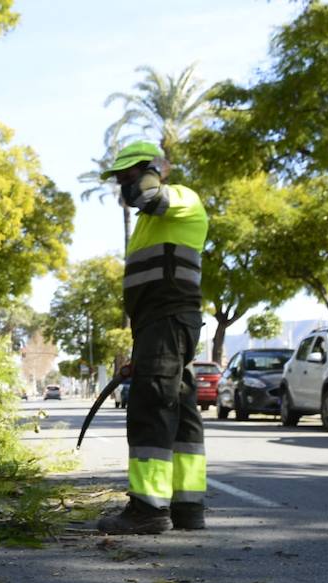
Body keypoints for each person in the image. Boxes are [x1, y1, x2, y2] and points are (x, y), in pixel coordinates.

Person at [96, 140, 209, 534]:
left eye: (131, 175)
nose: (126, 186)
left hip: (169, 320)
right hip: (158, 325)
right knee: (178, 409)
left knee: (152, 408)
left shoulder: (181, 198)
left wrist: (153, 172)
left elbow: (149, 195)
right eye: (121, 179)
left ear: (152, 170)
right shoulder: (149, 224)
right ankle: (187, 508)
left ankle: (149, 508)